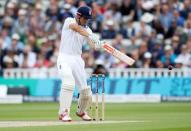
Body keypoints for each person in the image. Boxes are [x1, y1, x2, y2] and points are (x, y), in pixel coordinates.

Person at [57, 6, 102, 122]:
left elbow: (92, 46)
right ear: (78, 16)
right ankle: (63, 113)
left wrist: (98, 44)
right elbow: (76, 28)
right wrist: (90, 35)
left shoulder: (88, 30)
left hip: (77, 60)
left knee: (86, 91)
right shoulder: (69, 21)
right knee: (68, 83)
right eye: (85, 18)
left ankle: (81, 111)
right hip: (64, 58)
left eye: (88, 19)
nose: (86, 21)